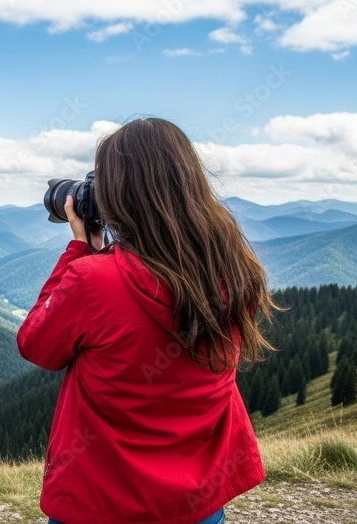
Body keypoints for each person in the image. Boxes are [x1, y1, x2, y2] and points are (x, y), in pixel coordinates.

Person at [16, 117, 277, 524]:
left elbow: (36, 345)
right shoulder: (234, 273)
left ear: (118, 196)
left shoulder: (93, 281)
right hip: (198, 503)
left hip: (99, 505)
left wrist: (80, 249)